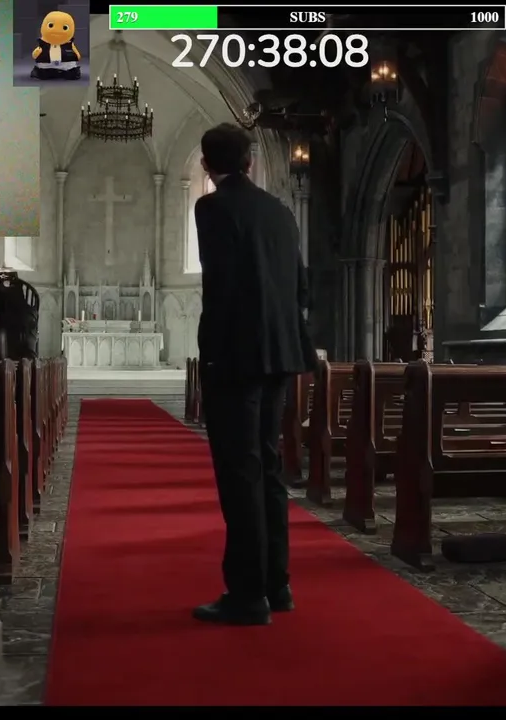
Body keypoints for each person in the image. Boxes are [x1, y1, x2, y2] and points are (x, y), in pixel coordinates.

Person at [190, 123, 316, 626]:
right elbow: (301, 287)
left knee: (240, 473)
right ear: (250, 162)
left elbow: (219, 286)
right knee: (269, 467)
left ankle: (246, 594)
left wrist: (211, 357)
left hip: (236, 358)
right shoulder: (281, 212)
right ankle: (277, 585)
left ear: (207, 166)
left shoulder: (212, 208)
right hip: (281, 355)